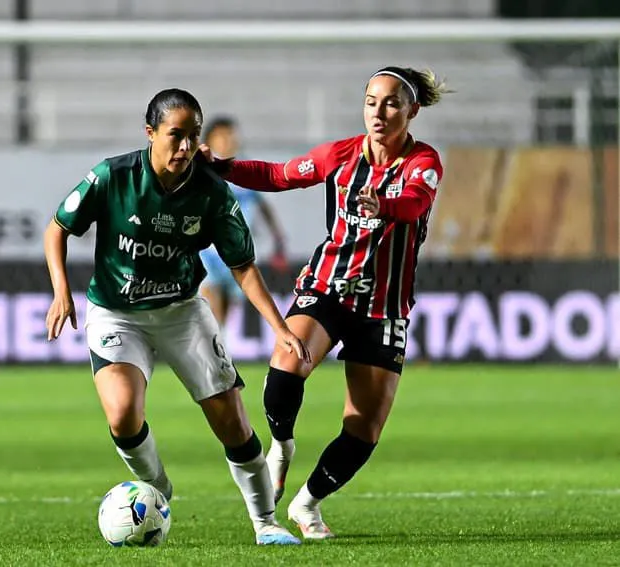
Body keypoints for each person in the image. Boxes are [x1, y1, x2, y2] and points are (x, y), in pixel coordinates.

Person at [43, 88, 311, 546]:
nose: (185, 147)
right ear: (150, 133)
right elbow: (57, 229)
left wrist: (279, 327)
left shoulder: (211, 191)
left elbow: (243, 266)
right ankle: (157, 489)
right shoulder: (113, 176)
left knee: (231, 420)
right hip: (117, 313)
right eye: (175, 135)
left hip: (181, 312)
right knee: (122, 414)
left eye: (193, 136)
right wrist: (61, 291)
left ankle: (266, 522)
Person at [200, 67, 449, 539]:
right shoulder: (340, 155)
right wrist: (224, 167)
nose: (378, 112)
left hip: (383, 307)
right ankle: (281, 444)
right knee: (286, 366)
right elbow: (279, 175)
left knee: (363, 430)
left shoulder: (423, 161)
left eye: (391, 103)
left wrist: (383, 206)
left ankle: (307, 503)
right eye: (371, 102)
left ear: (412, 110)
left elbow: (415, 203)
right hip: (329, 288)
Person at [198, 116, 288, 327]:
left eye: (231, 135)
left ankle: (222, 339)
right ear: (210, 140)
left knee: (230, 305)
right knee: (211, 296)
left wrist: (277, 236)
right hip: (208, 250)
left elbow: (264, 206)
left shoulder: (245, 168)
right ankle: (216, 339)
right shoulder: (201, 170)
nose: (228, 140)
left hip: (238, 248)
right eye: (222, 136)